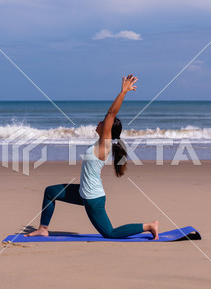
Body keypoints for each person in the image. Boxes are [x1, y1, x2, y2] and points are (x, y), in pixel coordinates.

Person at [26, 74, 159, 240]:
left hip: (93, 198)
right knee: (50, 192)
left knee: (110, 233)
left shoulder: (105, 144)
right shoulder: (99, 143)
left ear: (108, 129)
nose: (99, 122)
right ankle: (43, 229)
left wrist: (123, 91)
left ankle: (149, 226)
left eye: (103, 122)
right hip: (83, 192)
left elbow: (111, 113)